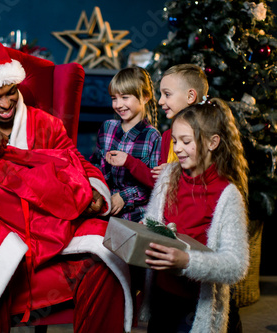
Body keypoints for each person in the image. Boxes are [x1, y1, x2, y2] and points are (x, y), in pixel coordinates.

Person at [0, 38, 133, 333]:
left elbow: (76, 161)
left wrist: (93, 192)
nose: (7, 103)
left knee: (105, 244)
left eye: (11, 92)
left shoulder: (45, 124)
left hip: (41, 213)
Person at [141, 98, 249, 333]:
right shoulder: (168, 175)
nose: (177, 148)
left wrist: (187, 262)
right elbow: (154, 222)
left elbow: (236, 265)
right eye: (175, 141)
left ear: (213, 142)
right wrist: (145, 229)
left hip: (195, 304)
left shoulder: (227, 194)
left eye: (186, 141)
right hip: (161, 296)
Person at [108, 64, 208, 189]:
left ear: (190, 96)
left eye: (167, 94)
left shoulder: (207, 134)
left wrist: (174, 172)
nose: (160, 101)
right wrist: (129, 161)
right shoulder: (167, 137)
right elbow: (155, 181)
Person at [90, 67, 161, 222]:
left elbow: (156, 184)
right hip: (103, 210)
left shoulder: (152, 136)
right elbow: (94, 164)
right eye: (114, 98)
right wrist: (96, 190)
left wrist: (124, 197)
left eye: (125, 97)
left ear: (145, 97)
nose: (118, 104)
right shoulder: (107, 128)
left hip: (136, 216)